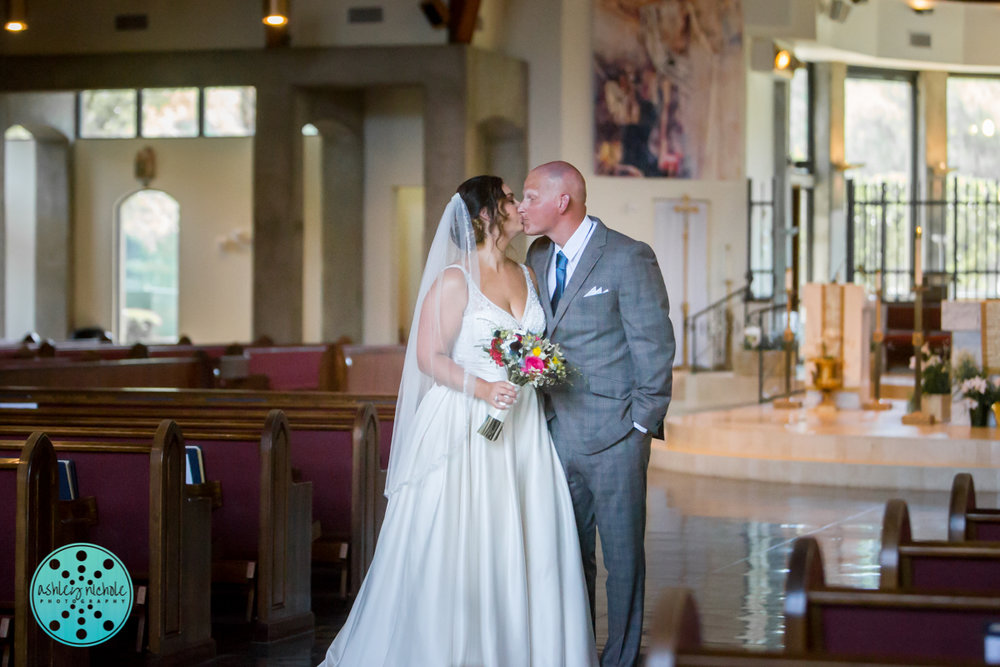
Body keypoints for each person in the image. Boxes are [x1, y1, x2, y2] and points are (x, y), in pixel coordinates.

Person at [318, 176, 597, 667]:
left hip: (523, 429)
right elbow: (428, 356)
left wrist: (535, 369)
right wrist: (485, 388)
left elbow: (537, 346)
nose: (518, 205)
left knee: (526, 543)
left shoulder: (528, 275)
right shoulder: (454, 280)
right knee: (465, 542)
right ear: (486, 213)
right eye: (510, 197)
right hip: (464, 425)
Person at [521, 161, 675, 667]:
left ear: (562, 201)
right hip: (556, 430)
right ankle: (578, 651)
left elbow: (654, 344)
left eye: (529, 196)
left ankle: (622, 658)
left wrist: (639, 425)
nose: (521, 207)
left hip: (616, 436)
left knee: (623, 557)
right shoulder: (537, 254)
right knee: (569, 554)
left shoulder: (628, 257)